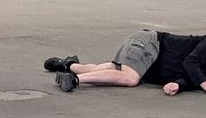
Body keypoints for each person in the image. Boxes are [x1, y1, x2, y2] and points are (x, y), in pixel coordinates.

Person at [44, 28, 206, 95]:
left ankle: (70, 65)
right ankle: (74, 80)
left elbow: (196, 76)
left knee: (106, 69)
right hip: (150, 44)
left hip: (150, 64)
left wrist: (179, 85)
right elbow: (190, 63)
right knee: (129, 78)